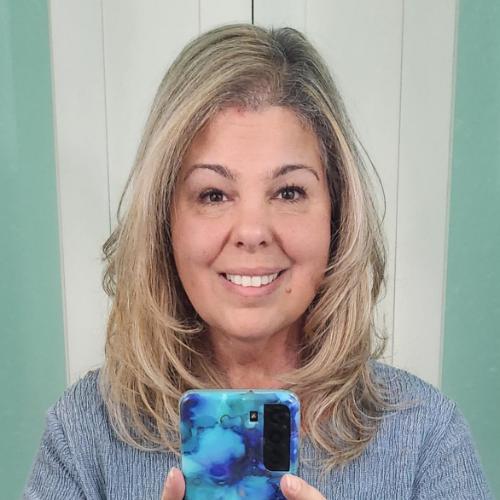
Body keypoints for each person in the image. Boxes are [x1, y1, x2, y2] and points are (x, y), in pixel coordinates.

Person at [24, 24, 493, 499]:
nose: (252, 231)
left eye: (288, 192)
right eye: (213, 194)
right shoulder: (82, 434)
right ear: (164, 221)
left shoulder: (428, 438)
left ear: (338, 214)